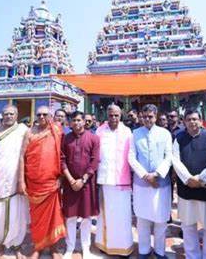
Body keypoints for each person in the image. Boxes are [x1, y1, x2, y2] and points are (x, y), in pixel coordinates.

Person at [173, 109, 206, 259]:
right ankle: (192, 255)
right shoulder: (178, 139)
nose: (192, 122)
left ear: (200, 121)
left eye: (195, 119)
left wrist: (200, 179)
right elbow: (175, 160)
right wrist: (188, 179)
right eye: (189, 119)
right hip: (186, 189)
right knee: (188, 226)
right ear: (184, 122)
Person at [18, 106, 65, 259]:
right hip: (34, 183)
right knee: (37, 219)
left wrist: (61, 178)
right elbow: (22, 157)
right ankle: (37, 247)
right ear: (35, 116)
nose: (42, 117)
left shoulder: (57, 131)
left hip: (51, 183)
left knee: (53, 217)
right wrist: (21, 182)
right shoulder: (29, 133)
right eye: (39, 114)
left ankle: (53, 247)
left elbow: (62, 156)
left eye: (45, 114)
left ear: (50, 116)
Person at [129, 104, 172, 259]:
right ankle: (144, 250)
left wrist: (157, 174)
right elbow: (131, 157)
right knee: (142, 219)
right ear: (141, 116)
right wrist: (145, 175)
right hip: (141, 183)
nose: (148, 119)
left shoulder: (165, 133)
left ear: (155, 116)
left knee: (160, 219)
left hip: (161, 183)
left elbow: (169, 156)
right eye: (145, 116)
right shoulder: (135, 133)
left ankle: (160, 251)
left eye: (151, 116)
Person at [0, 105, 29, 258]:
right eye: (6, 114)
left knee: (18, 213)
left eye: (11, 114)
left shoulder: (24, 130)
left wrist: (24, 179)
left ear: (17, 115)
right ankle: (0, 245)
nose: (8, 116)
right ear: (2, 115)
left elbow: (27, 155)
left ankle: (17, 245)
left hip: (17, 178)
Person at [95, 104, 134, 256]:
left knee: (123, 215)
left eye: (116, 115)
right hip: (105, 180)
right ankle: (104, 244)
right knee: (105, 214)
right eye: (111, 115)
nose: (113, 118)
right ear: (107, 115)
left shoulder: (127, 132)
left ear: (121, 116)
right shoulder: (100, 131)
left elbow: (131, 155)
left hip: (122, 180)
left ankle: (124, 247)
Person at [61, 111, 100, 259]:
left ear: (84, 122)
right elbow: (62, 159)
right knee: (70, 217)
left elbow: (94, 161)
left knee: (86, 218)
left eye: (79, 120)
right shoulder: (66, 139)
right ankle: (70, 247)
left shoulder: (94, 138)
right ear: (70, 123)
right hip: (70, 183)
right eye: (74, 121)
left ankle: (86, 248)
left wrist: (83, 179)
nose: (76, 123)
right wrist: (71, 180)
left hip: (87, 183)